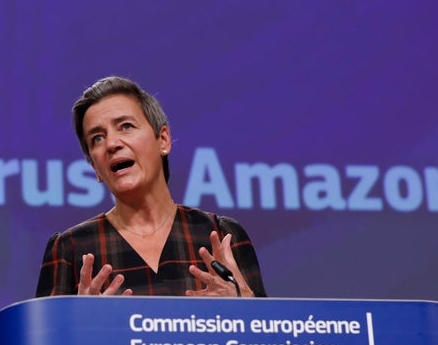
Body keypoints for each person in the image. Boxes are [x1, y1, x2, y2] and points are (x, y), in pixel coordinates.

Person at [35, 76, 266, 297]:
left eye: (125, 126)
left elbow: (270, 333)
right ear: (95, 167)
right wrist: (79, 324)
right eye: (97, 138)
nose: (112, 144)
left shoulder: (223, 235)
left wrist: (245, 304)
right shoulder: (71, 249)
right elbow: (43, 335)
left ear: (163, 140)